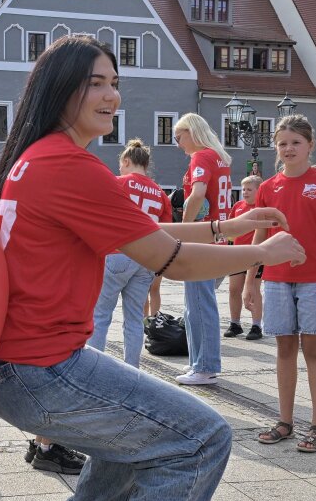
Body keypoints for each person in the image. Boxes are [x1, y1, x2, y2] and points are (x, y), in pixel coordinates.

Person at [0, 34, 303, 501]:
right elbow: (168, 261)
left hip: (20, 367)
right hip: (41, 370)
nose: (110, 94)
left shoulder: (42, 158)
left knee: (135, 432)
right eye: (94, 83)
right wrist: (256, 253)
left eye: (113, 82)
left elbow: (141, 229)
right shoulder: (67, 165)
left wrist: (229, 225)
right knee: (200, 438)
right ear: (59, 92)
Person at [247, 115, 316, 452]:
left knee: (314, 350)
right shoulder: (268, 187)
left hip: (315, 280)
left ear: (310, 145)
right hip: (276, 278)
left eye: (295, 143)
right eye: (282, 143)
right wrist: (250, 282)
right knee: (284, 349)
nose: (289, 148)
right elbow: (259, 237)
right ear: (276, 147)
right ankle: (284, 421)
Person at [87, 138, 172, 367]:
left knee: (100, 317)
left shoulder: (118, 183)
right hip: (146, 259)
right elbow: (166, 230)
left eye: (120, 164)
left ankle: (95, 368)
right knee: (134, 319)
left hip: (117, 253)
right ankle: (132, 370)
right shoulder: (160, 193)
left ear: (126, 161)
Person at [174, 113, 232, 385]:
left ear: (192, 132)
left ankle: (204, 366)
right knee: (199, 304)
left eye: (179, 136)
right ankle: (200, 364)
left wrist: (184, 229)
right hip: (218, 237)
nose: (177, 143)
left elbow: (197, 195)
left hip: (202, 238)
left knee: (198, 305)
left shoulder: (201, 157)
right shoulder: (219, 158)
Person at [226, 175, 264, 340]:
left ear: (258, 190)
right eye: (243, 189)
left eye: (249, 189)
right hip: (237, 253)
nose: (245, 192)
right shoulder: (238, 206)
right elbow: (230, 227)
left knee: (254, 290)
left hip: (255, 254)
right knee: (234, 289)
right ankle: (235, 323)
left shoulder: (261, 208)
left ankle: (256, 325)